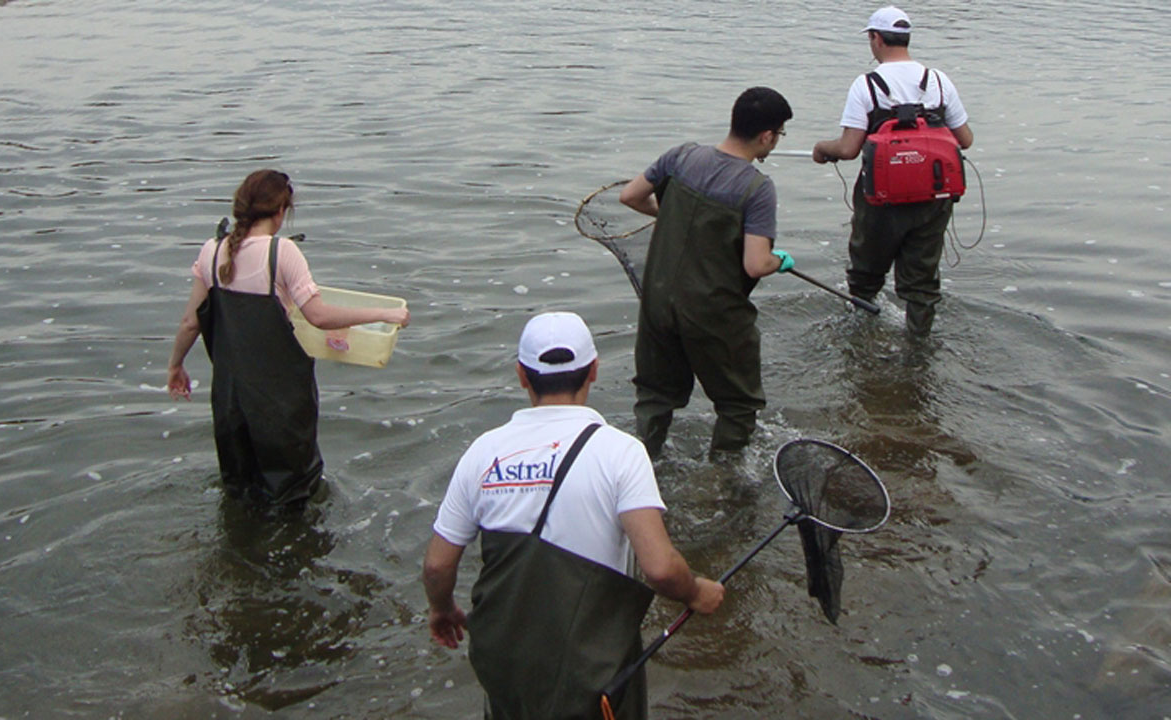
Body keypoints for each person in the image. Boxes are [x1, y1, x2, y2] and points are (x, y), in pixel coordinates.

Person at [422, 312, 724, 720]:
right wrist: (695, 592)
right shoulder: (621, 452)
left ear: (521, 376)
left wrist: (441, 609)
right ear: (594, 370)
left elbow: (438, 565)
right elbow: (660, 568)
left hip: (506, 660)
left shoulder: (483, 452)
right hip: (592, 665)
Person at [166, 169, 410, 510]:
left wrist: (175, 365)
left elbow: (190, 322)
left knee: (239, 494)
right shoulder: (282, 253)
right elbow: (319, 317)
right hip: (280, 407)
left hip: (230, 401)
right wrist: (384, 314)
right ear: (281, 211)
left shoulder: (211, 250)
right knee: (294, 499)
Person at [618, 87, 796, 460]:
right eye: (779, 135)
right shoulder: (757, 188)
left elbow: (630, 196)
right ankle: (724, 483)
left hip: (657, 302)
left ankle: (639, 467)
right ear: (767, 136)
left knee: (654, 395)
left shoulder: (681, 156)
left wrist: (668, 215)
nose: (776, 142)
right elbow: (755, 264)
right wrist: (781, 260)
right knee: (737, 403)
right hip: (714, 312)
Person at [812, 6, 974, 335]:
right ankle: (919, 346)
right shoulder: (939, 82)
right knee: (922, 282)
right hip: (933, 196)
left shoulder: (867, 85)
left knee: (865, 274)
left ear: (876, 39)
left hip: (880, 200)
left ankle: (860, 339)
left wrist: (821, 149)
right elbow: (965, 140)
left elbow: (848, 149)